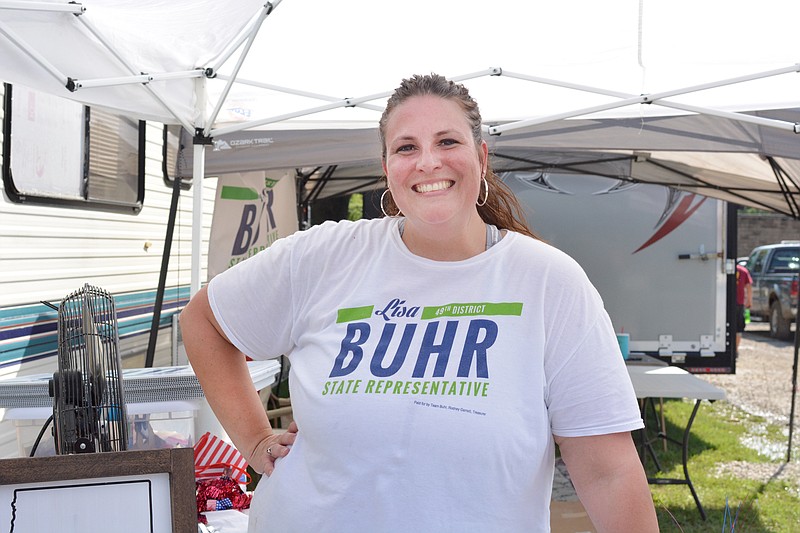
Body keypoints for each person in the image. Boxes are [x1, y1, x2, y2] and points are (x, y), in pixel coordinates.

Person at [180, 73, 659, 532]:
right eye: (406, 147)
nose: (428, 162)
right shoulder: (321, 256)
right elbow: (203, 321)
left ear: (482, 157)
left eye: (447, 142)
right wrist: (255, 439)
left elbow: (607, 471)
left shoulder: (549, 281)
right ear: (387, 169)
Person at [736, 262, 753, 351]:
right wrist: (749, 301)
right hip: (739, 303)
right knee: (738, 329)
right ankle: (735, 349)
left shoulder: (724, 270)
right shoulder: (743, 271)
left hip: (726, 304)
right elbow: (748, 286)